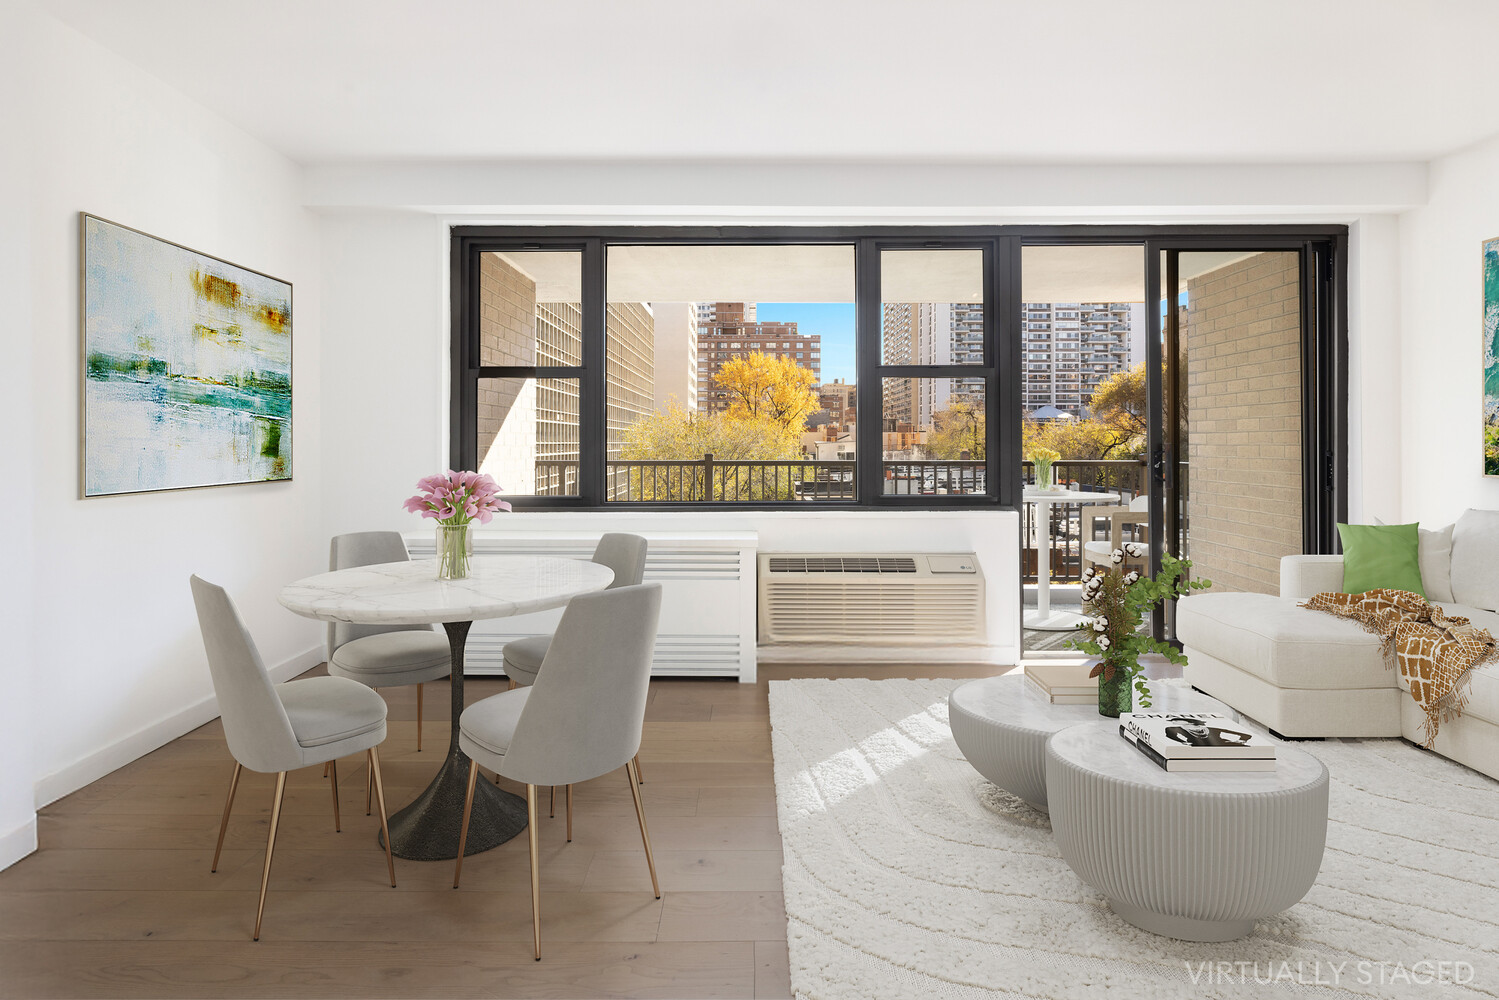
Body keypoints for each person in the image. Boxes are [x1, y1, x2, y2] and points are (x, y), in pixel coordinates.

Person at [1163, 716, 1253, 749]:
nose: (1175, 723)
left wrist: (1242, 740)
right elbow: (1169, 734)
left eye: (1177, 721)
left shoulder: (1211, 729)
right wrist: (1182, 742)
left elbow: (1246, 735)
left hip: (1220, 746)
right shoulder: (1177, 730)